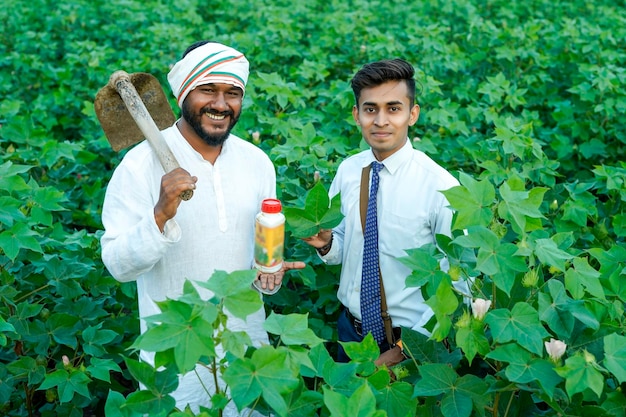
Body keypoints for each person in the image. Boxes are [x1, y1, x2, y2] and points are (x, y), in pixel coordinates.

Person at [101, 41, 304, 415]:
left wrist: (267, 273)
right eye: (207, 90)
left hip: (247, 354)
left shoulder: (257, 163)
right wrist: (160, 214)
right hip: (176, 358)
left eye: (232, 93)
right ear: (182, 93)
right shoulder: (138, 166)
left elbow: (257, 250)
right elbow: (117, 264)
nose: (221, 104)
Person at [303, 59, 460, 366]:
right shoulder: (350, 171)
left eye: (394, 108)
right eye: (370, 109)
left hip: (412, 343)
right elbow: (345, 246)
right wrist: (326, 242)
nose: (381, 120)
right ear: (356, 115)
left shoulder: (440, 187)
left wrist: (403, 351)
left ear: (412, 114)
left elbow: (459, 282)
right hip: (350, 332)